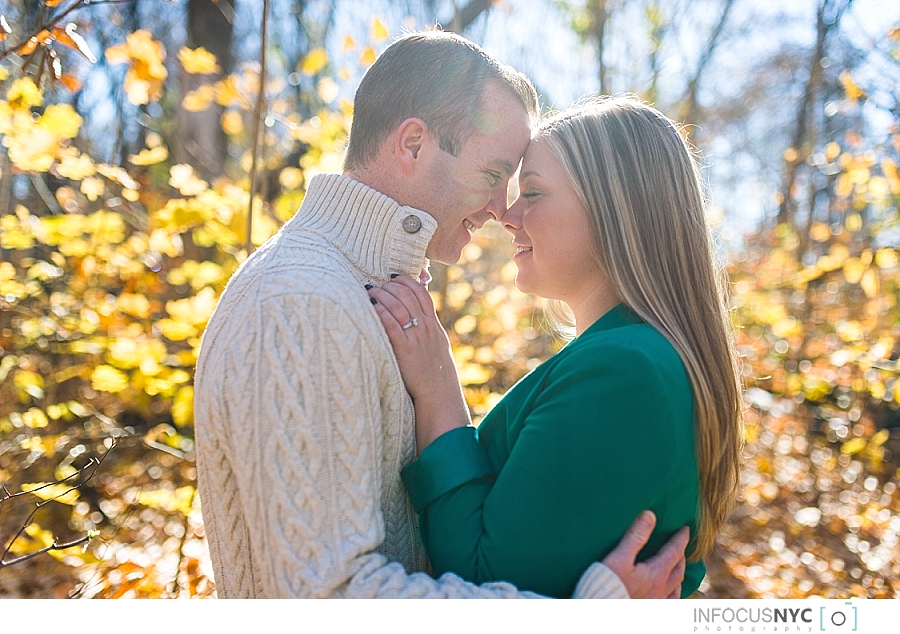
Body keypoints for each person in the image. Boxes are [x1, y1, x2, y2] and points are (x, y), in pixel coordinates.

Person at [194, 32, 689, 598]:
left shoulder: (381, 298)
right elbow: (328, 596)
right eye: (492, 174)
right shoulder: (299, 302)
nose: (504, 210)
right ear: (412, 145)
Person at [367, 95, 744, 598]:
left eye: (535, 193)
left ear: (616, 209)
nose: (509, 214)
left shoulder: (624, 370)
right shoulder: (627, 356)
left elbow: (481, 584)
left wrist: (437, 389)